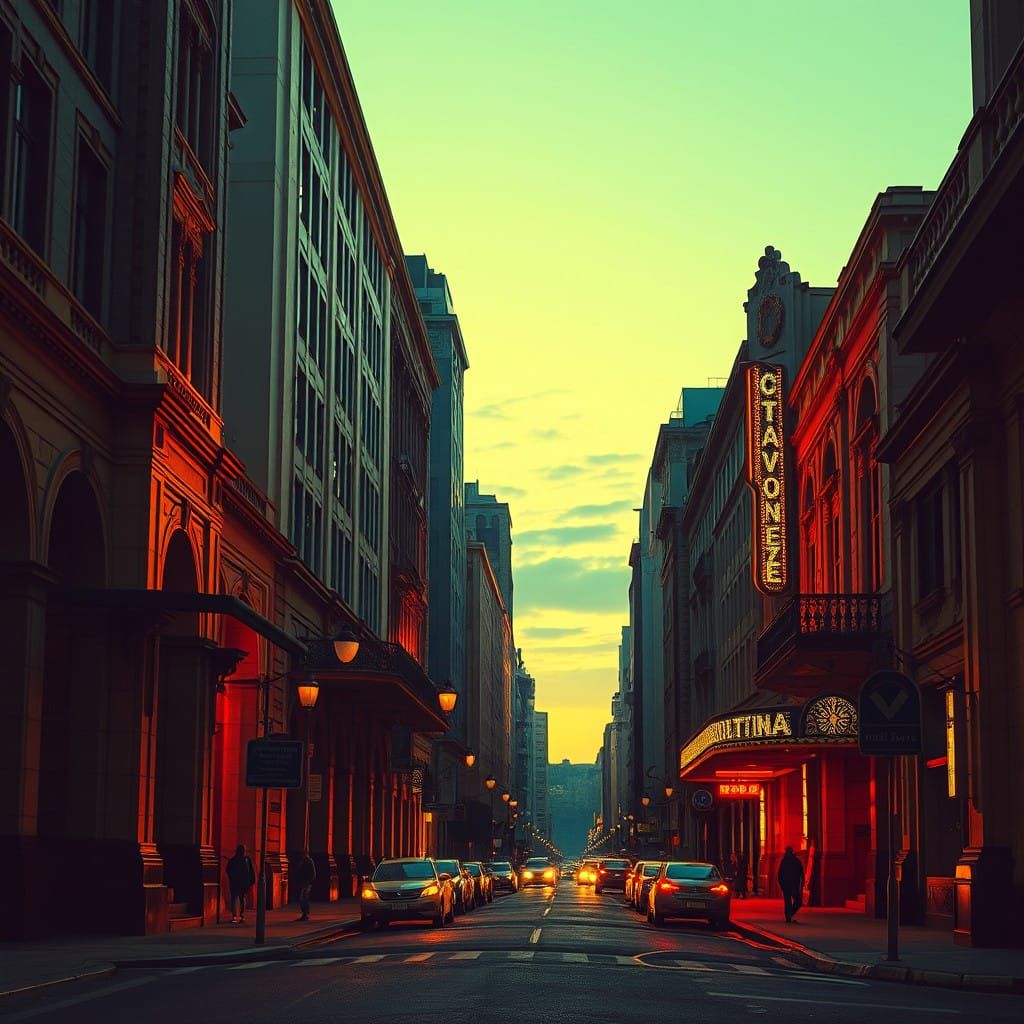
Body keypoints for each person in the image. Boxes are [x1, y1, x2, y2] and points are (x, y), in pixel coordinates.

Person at [227, 844, 257, 925]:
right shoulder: (246, 859)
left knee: (235, 898)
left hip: (236, 882)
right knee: (241, 898)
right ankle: (241, 915)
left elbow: (228, 870)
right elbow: (250, 871)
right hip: (242, 882)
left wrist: (232, 878)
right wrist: (251, 880)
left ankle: (235, 916)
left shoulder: (234, 860)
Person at [777, 845, 805, 923]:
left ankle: (789, 915)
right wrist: (802, 882)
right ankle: (790, 914)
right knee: (797, 901)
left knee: (788, 901)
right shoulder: (796, 861)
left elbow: (780, 874)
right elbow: (801, 873)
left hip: (787, 885)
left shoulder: (785, 861)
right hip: (793, 884)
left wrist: (781, 884)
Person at [297, 852, 317, 921]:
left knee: (303, 898)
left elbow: (312, 874)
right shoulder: (304, 861)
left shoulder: (308, 861)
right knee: (303, 898)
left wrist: (307, 882)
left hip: (306, 883)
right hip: (304, 882)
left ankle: (305, 914)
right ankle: (304, 914)